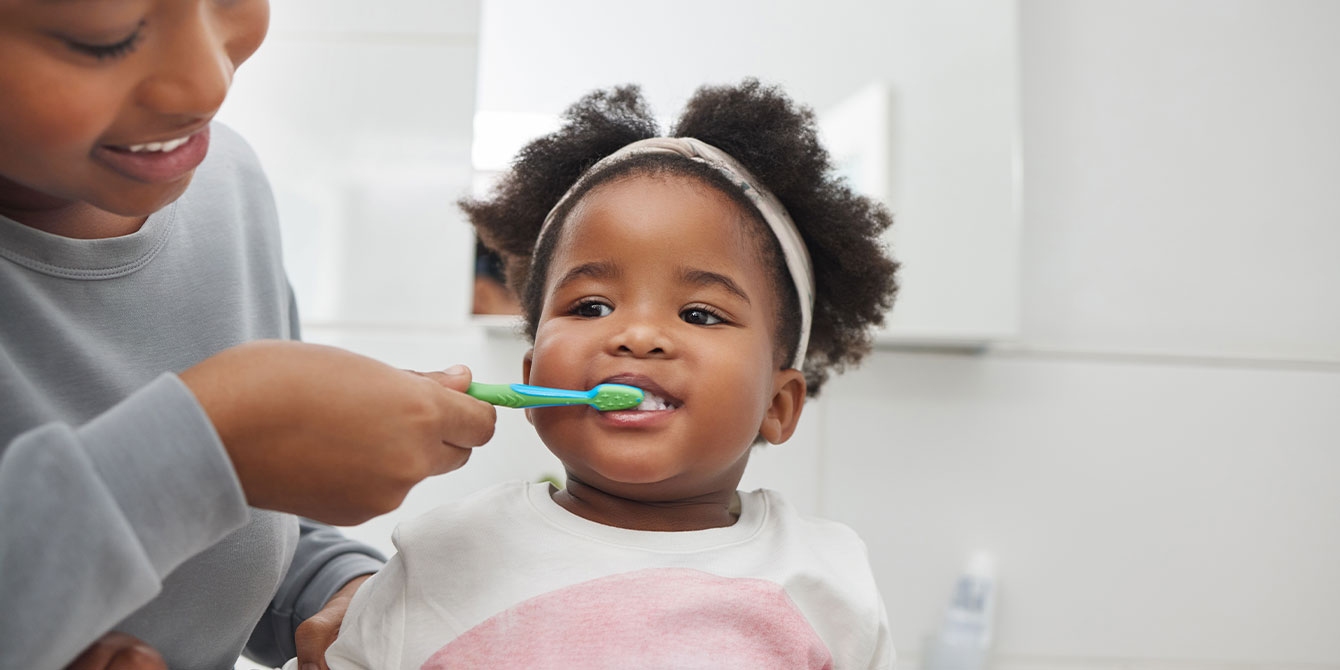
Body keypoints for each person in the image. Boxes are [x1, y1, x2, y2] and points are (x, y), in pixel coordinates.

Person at [317, 80, 900, 669]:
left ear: (779, 405)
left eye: (700, 313)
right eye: (590, 306)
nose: (637, 335)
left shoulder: (826, 583)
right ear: (531, 376)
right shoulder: (444, 554)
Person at [0, 1, 496, 668]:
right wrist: (207, 446)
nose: (206, 82)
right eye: (104, 37)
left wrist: (335, 588)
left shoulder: (221, 180)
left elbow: (245, 534)